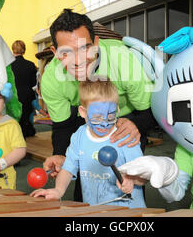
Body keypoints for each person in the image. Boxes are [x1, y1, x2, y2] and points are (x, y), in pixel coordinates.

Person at [40, 9, 157, 201]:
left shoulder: (122, 59)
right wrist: (60, 154)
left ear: (96, 43)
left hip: (129, 117)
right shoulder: (51, 79)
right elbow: (63, 126)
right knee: (84, 178)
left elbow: (150, 110)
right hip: (86, 119)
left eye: (85, 48)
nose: (77, 61)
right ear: (55, 52)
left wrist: (137, 125)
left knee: (130, 179)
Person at [31, 79, 146, 208]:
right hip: (95, 209)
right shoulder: (79, 136)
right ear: (83, 112)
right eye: (97, 117)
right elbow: (68, 168)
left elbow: (145, 175)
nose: (104, 123)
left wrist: (133, 179)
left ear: (117, 110)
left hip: (128, 210)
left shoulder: (125, 137)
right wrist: (58, 190)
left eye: (111, 116)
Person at [11, 40, 38, 138]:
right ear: (24, 50)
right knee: (25, 118)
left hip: (13, 95)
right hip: (27, 95)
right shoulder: (30, 65)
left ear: (13, 50)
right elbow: (33, 83)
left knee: (14, 119)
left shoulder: (9, 65)